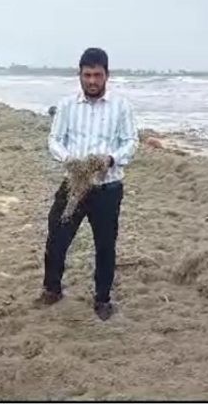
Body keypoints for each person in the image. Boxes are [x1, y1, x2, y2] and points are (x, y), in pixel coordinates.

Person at [39, 47, 138, 321]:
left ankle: (103, 298)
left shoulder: (121, 106)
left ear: (107, 75)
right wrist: (68, 158)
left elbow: (131, 142)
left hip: (108, 187)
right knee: (57, 238)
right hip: (73, 183)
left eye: (98, 75)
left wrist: (111, 158)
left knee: (105, 245)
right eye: (87, 75)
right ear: (79, 75)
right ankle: (52, 289)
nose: (92, 81)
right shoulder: (67, 105)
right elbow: (54, 139)